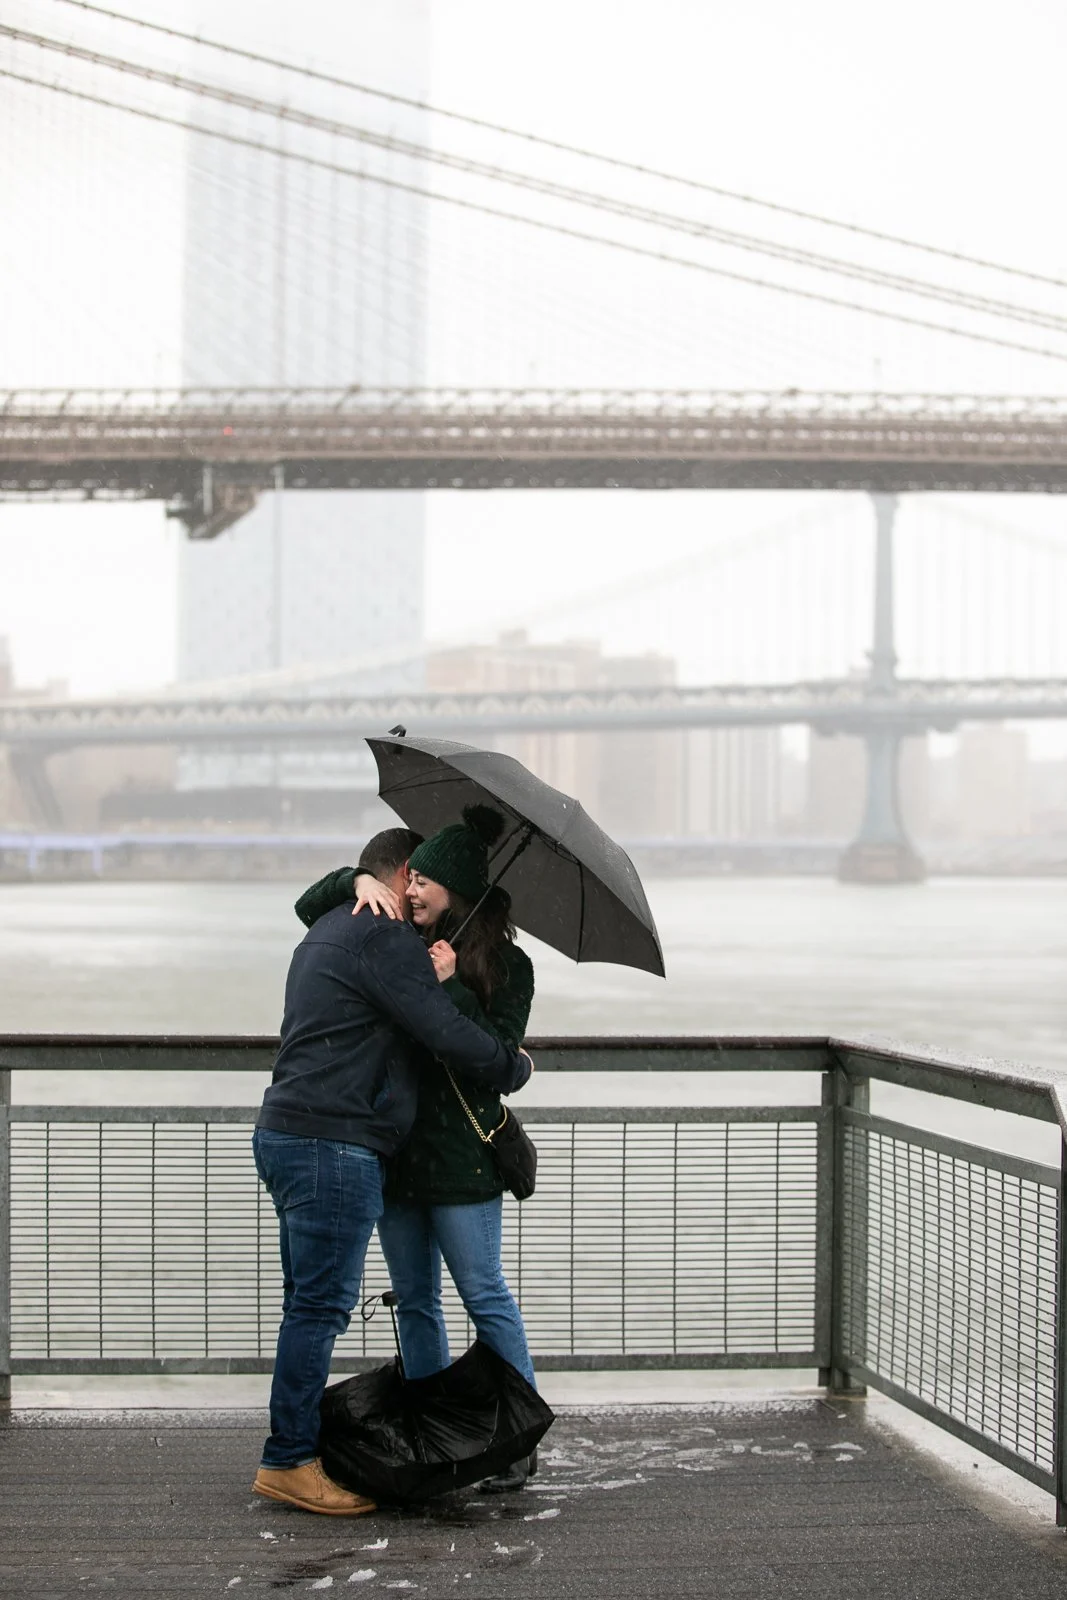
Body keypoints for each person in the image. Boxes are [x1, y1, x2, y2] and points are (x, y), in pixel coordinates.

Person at [252, 826, 533, 1517]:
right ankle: (301, 1455)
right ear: (395, 877)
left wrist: (351, 882)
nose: (411, 892)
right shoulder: (385, 938)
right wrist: (513, 1067)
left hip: (350, 1142)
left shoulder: (344, 931)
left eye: (424, 883)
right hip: (356, 1147)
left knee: (468, 1292)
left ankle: (511, 1431)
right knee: (344, 1307)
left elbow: (473, 1033)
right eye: (408, 880)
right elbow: (440, 1029)